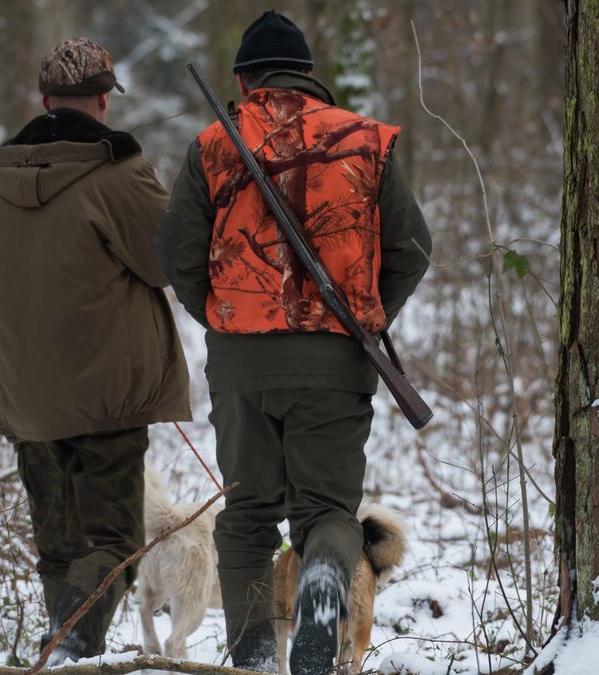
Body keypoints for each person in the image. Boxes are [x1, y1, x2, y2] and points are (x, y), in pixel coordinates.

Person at [156, 11, 431, 674]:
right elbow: (414, 247)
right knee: (328, 513)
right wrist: (365, 318)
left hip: (241, 364)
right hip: (337, 361)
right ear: (310, 77)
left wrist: (224, 319)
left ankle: (252, 659)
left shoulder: (213, 145)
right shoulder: (366, 142)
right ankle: (318, 598)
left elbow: (176, 253)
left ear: (245, 79)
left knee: (247, 513)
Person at [0, 37, 190, 662]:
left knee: (60, 545)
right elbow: (166, 259)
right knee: (114, 541)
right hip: (106, 396)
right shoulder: (114, 173)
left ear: (44, 101)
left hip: (25, 396)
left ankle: (62, 644)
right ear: (103, 100)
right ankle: (70, 647)